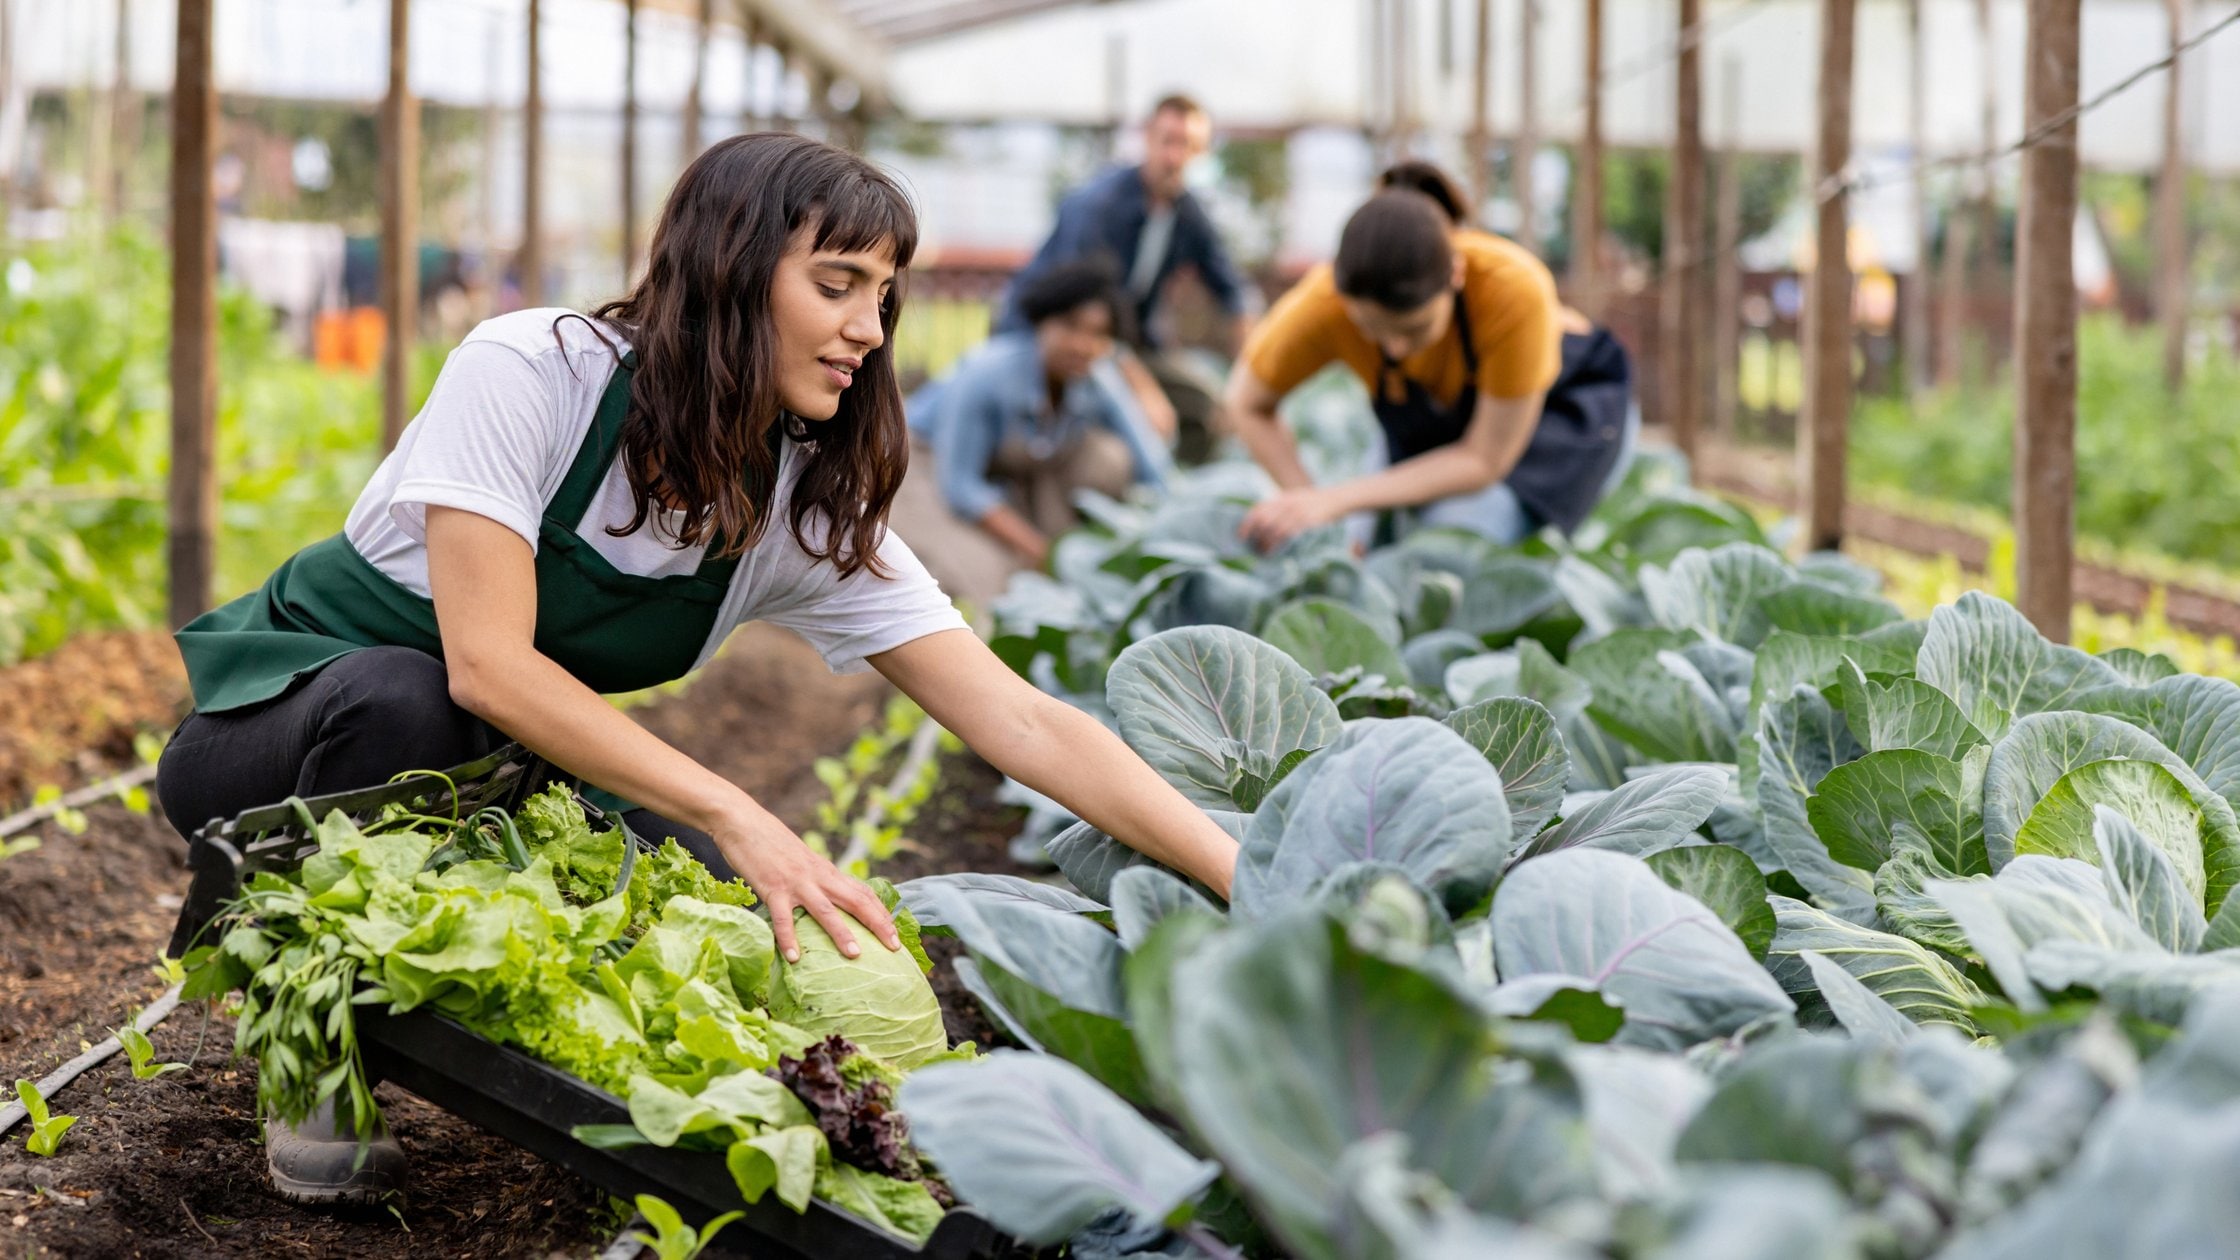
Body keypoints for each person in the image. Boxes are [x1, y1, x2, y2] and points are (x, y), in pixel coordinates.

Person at [154, 134, 1240, 1205]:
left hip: (494, 781)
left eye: (882, 294)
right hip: (281, 745)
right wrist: (735, 809)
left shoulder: (792, 501)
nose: (868, 328)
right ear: (729, 269)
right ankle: (314, 1051)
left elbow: (1021, 719)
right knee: (412, 699)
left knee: (725, 919)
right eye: (836, 285)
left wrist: (1240, 873)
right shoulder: (535, 371)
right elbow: (485, 667)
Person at [1227, 161, 1636, 552]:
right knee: (1361, 538)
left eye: (1413, 330)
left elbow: (1484, 459)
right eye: (1371, 331)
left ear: (1455, 277)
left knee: (1453, 536)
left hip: (1556, 416)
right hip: (1446, 426)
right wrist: (1309, 502)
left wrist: (1336, 500)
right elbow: (1245, 402)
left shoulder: (1514, 289)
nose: (1395, 350)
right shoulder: (1323, 304)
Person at [892, 258, 1169, 601]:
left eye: (1099, 334)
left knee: (1110, 457)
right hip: (922, 463)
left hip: (997, 472)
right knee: (990, 574)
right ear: (1042, 322)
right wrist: (1042, 553)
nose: (1083, 344)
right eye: (1070, 326)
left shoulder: (1095, 380)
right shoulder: (989, 374)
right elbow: (961, 486)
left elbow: (1148, 461)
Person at [998, 93, 1254, 463]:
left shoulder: (1188, 212)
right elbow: (1083, 313)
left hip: (1128, 343)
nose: (1175, 157)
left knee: (1207, 406)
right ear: (1147, 138)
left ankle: (1167, 500)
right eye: (1168, 141)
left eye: (1189, 146)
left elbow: (1231, 288)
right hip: (1047, 336)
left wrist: (1250, 370)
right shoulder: (1099, 205)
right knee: (1135, 422)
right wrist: (1143, 390)